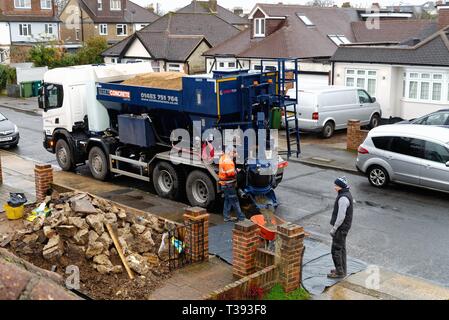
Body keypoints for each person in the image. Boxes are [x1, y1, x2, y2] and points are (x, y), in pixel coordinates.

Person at [328, 176, 353, 279]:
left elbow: (341, 216)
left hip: (341, 228)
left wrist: (334, 229)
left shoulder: (343, 198)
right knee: (342, 249)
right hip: (344, 227)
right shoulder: (346, 194)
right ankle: (342, 269)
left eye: (336, 185)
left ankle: (339, 272)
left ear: (341, 186)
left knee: (336, 250)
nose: (335, 187)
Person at [219, 146, 245, 222]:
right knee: (235, 201)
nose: (235, 154)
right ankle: (241, 218)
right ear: (230, 152)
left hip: (224, 184)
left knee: (227, 200)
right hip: (228, 185)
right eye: (234, 152)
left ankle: (226, 217)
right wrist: (237, 170)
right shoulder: (228, 161)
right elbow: (231, 174)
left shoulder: (223, 157)